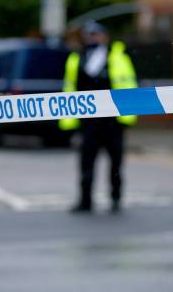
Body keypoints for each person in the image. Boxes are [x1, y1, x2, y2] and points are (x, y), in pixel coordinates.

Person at [59, 22, 138, 214]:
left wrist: (126, 119)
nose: (93, 38)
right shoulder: (76, 59)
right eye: (90, 35)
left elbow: (129, 86)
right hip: (88, 122)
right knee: (86, 164)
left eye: (97, 34)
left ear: (105, 36)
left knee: (116, 165)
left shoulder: (118, 57)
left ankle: (116, 200)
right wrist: (69, 121)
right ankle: (85, 201)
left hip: (112, 121)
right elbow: (70, 89)